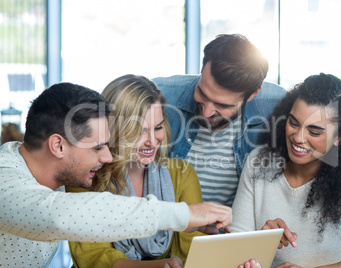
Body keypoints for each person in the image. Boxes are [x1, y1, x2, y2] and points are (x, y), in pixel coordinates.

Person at [0, 82, 232, 267]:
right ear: (58, 146)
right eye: (97, 147)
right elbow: (63, 216)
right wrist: (184, 214)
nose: (107, 157)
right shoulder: (5, 181)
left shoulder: (60, 176)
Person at [231, 73, 341, 267]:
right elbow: (234, 249)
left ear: (338, 137)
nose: (298, 138)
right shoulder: (258, 161)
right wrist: (260, 241)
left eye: (314, 131)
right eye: (293, 122)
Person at [67, 75, 206, 268]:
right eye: (139, 131)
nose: (151, 140)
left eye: (157, 127)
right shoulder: (84, 178)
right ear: (113, 129)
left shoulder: (182, 175)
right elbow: (92, 257)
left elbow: (191, 253)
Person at [153, 33, 286, 207]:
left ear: (253, 94)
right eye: (202, 92)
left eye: (222, 105)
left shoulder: (278, 106)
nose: (207, 112)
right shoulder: (159, 95)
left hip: (238, 230)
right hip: (172, 229)